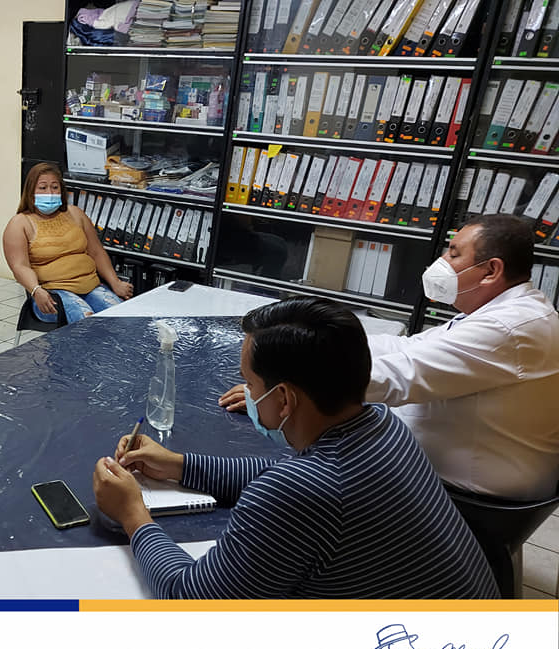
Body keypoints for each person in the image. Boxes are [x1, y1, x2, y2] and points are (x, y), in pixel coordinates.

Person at [93, 297, 498, 599]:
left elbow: (193, 600)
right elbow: (281, 479)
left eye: (250, 384)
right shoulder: (383, 425)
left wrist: (133, 515)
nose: (248, 393)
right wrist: (180, 465)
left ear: (284, 399)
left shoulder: (302, 491)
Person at [220, 215, 559, 501]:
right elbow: (406, 348)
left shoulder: (508, 329)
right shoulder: (507, 314)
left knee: (289, 479)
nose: (442, 261)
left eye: (454, 254)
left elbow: (398, 375)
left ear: (491, 271)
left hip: (467, 495)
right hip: (461, 470)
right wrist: (309, 341)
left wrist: (280, 382)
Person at [2, 162, 133, 324]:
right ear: (30, 192)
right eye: (42, 188)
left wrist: (115, 282)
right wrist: (36, 290)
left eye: (54, 187)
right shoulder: (19, 223)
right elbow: (19, 266)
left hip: (91, 286)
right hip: (51, 294)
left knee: (122, 317)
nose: (50, 193)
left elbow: (96, 252)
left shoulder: (75, 214)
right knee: (86, 321)